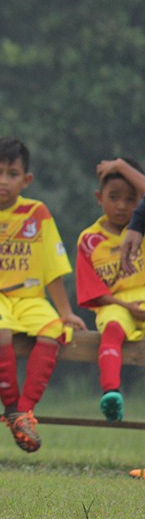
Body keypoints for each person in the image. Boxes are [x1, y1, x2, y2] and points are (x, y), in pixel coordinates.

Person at [0, 137, 86, 453]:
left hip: (28, 299)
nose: (4, 181)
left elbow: (53, 269)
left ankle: (23, 412)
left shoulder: (37, 213)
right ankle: (12, 408)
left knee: (53, 331)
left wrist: (65, 312)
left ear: (26, 179)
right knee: (1, 332)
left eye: (12, 173)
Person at [75, 158, 145, 423]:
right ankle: (111, 393)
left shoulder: (142, 228)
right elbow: (93, 292)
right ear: (99, 197)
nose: (122, 206)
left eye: (131, 199)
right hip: (115, 304)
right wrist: (129, 308)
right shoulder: (89, 239)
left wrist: (120, 165)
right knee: (112, 330)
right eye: (114, 197)